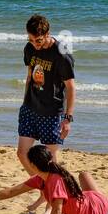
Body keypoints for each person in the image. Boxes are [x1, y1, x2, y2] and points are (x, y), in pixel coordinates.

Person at [18, 15, 76, 179]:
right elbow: (29, 76)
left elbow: (70, 87)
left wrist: (68, 118)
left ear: (48, 34)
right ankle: (44, 187)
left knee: (51, 162)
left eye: (38, 40)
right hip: (30, 107)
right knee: (22, 154)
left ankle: (56, 191)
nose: (34, 44)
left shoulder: (61, 54)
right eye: (30, 39)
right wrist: (24, 103)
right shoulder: (29, 49)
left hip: (51, 112)